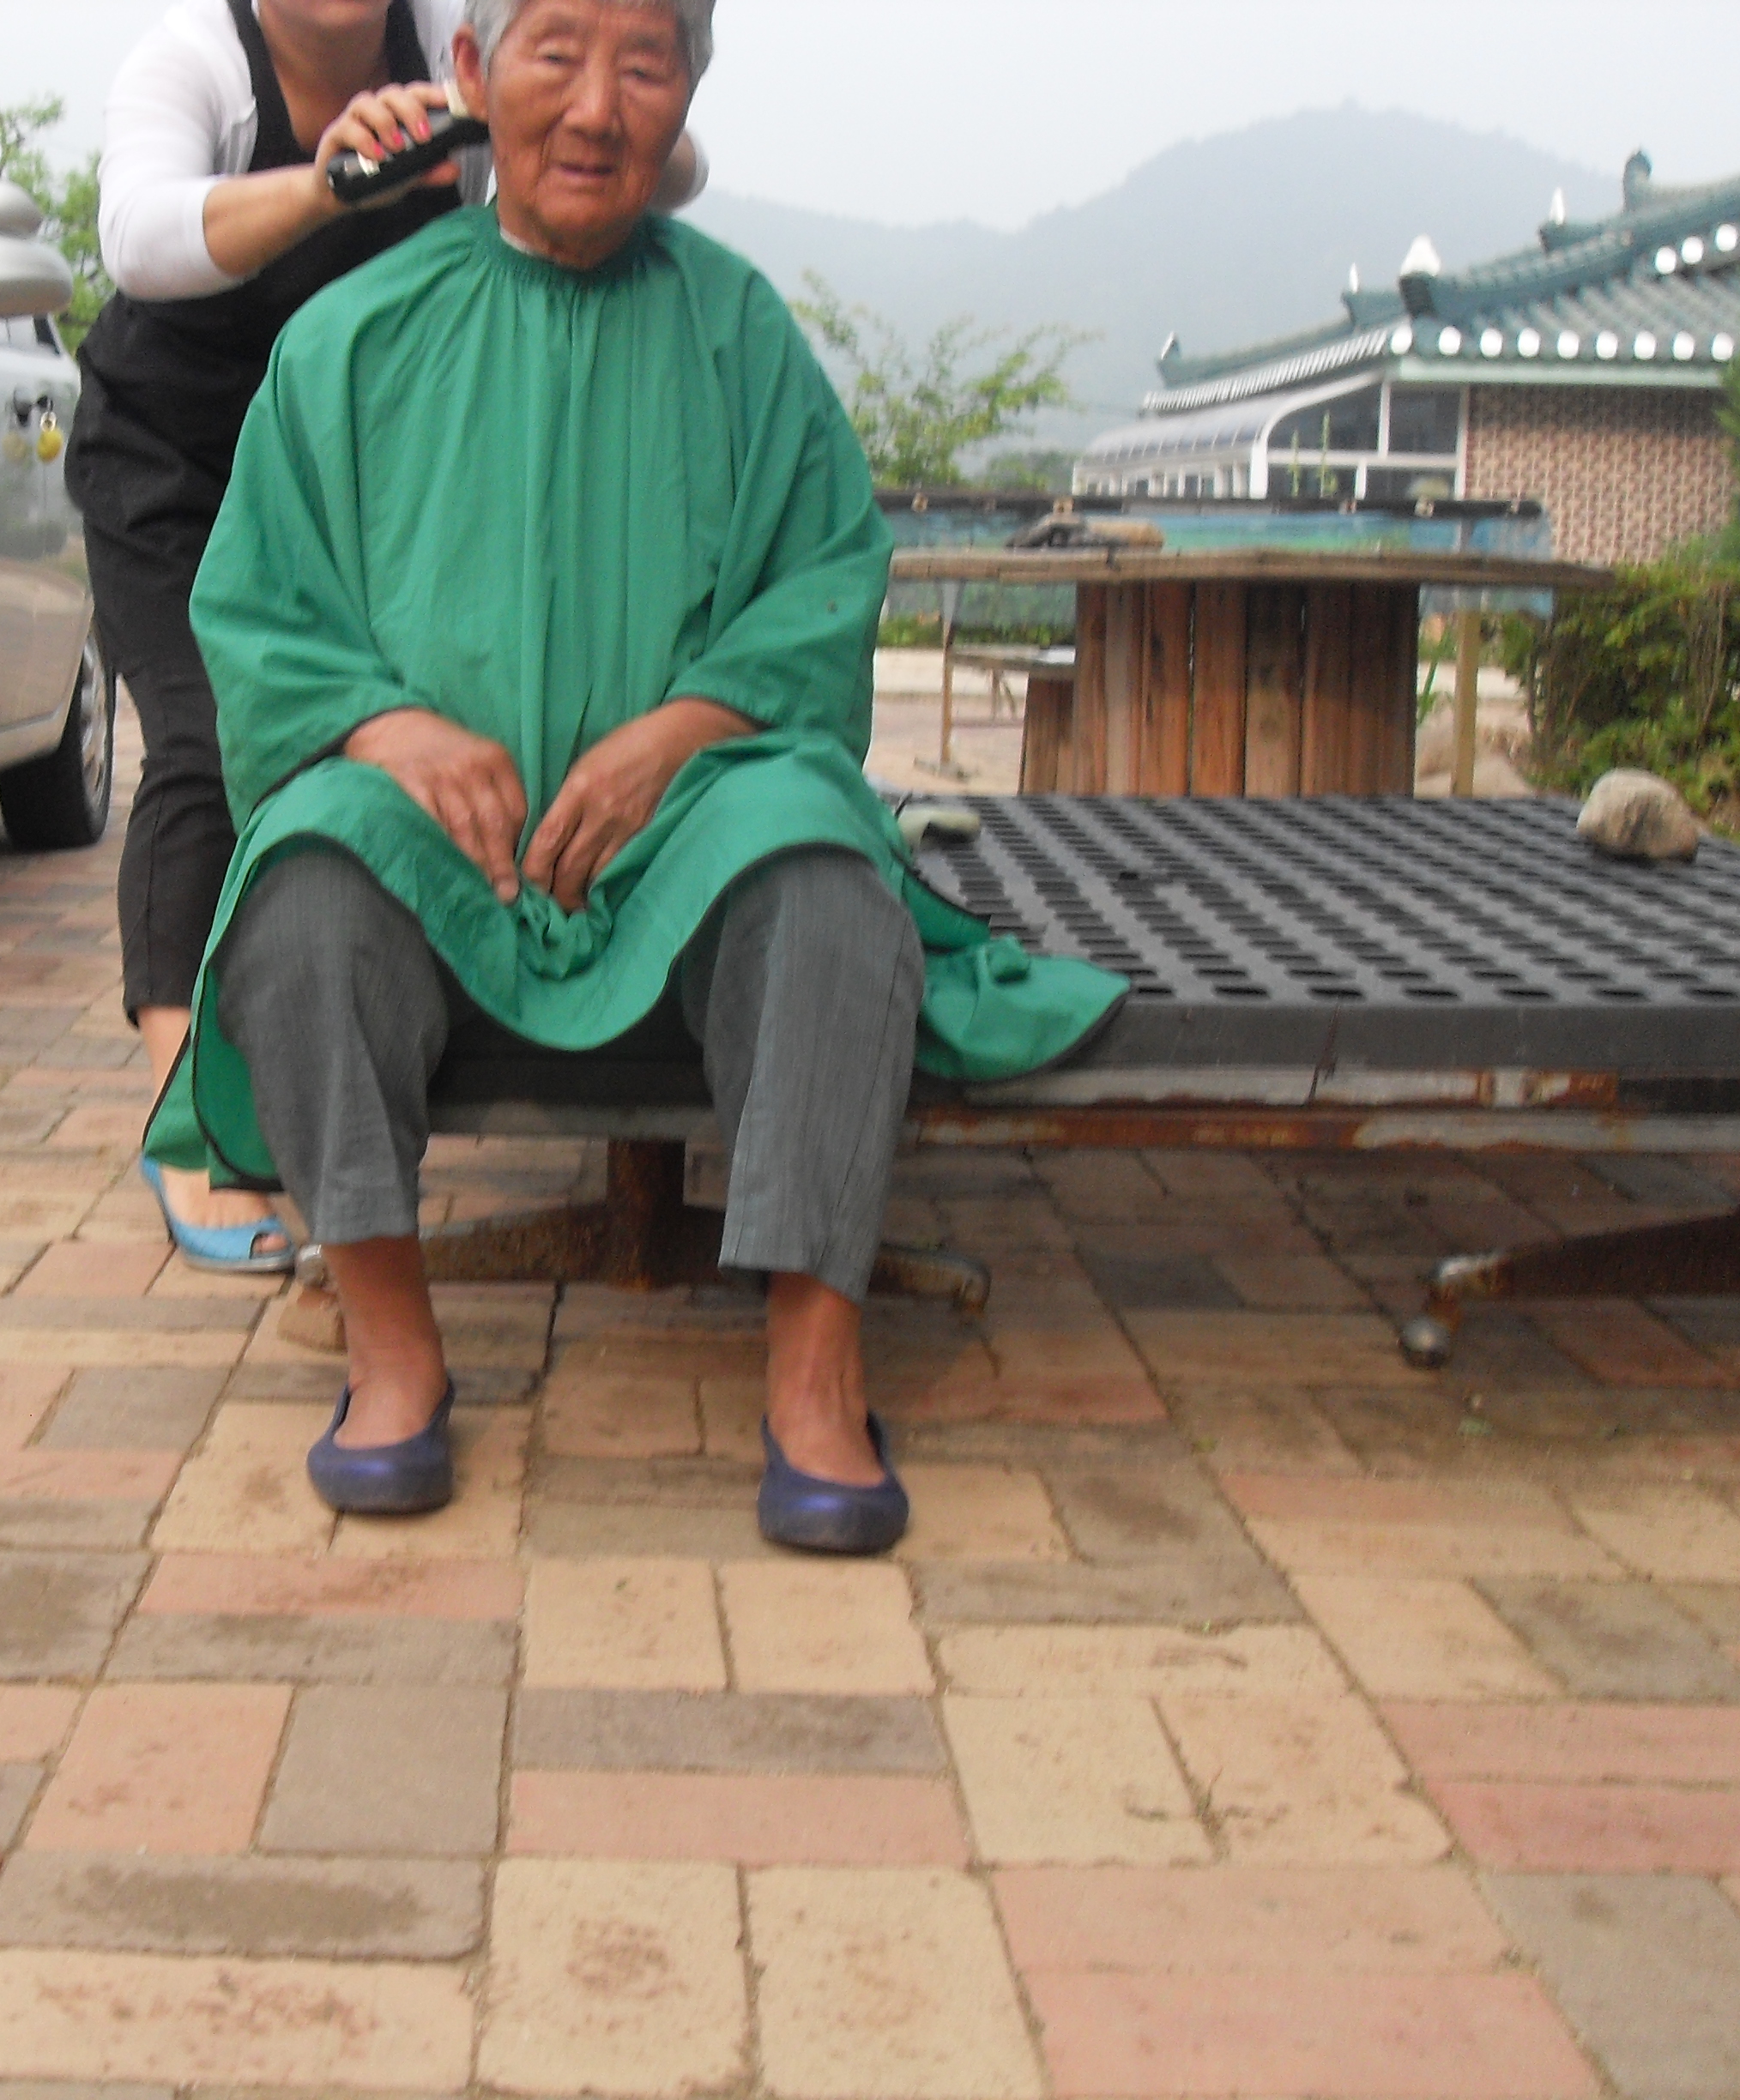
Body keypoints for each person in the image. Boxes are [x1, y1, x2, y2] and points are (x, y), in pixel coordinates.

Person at [149, 0, 1126, 1554]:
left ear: (689, 92)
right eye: (556, 52)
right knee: (300, 884)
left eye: (646, 61)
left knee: (826, 871)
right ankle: (391, 1349)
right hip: (438, 854)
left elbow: (822, 583)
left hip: (686, 845)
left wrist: (687, 729)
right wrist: (383, 729)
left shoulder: (741, 332)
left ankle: (815, 1367)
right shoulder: (348, 339)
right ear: (472, 76)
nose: (599, 105)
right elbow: (261, 613)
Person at [67, 0, 701, 1274]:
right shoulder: (194, 61)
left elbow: (668, 162)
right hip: (178, 467)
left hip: (364, 467)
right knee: (206, 735)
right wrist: (332, 183)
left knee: (388, 745)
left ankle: (379, 1034)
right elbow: (137, 238)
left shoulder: (456, 43)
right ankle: (195, 1120)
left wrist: (495, 106)